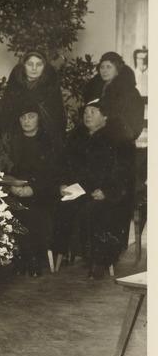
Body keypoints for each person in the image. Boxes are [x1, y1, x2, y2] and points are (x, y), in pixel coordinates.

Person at [54, 99, 124, 279]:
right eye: (85, 112)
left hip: (104, 194)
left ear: (105, 116)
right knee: (62, 206)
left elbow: (123, 174)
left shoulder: (117, 139)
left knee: (92, 211)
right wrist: (63, 184)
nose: (88, 116)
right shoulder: (76, 137)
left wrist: (106, 191)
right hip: (79, 189)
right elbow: (64, 165)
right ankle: (61, 255)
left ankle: (98, 261)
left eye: (93, 112)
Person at [82, 51, 144, 250]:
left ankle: (110, 248)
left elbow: (134, 126)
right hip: (94, 146)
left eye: (109, 66)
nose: (104, 70)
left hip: (119, 147)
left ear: (118, 68)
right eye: (102, 67)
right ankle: (85, 245)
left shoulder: (129, 92)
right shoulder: (95, 89)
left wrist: (113, 136)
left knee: (113, 193)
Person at [5, 99, 60, 277]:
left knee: (33, 211)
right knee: (14, 209)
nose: (27, 121)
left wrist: (33, 189)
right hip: (15, 191)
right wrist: (13, 186)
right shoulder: (12, 142)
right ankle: (22, 257)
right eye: (23, 118)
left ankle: (34, 257)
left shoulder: (49, 142)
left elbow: (53, 175)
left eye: (31, 117)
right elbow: (5, 170)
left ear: (39, 119)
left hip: (42, 192)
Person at [2, 50, 66, 147]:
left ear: (44, 67)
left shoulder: (50, 86)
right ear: (24, 66)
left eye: (39, 64)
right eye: (30, 64)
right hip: (17, 139)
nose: (34, 68)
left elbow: (56, 119)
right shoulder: (15, 83)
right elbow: (7, 115)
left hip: (44, 141)